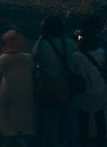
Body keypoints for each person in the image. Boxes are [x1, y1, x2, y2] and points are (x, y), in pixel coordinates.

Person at [34, 15, 79, 147]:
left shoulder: (42, 44)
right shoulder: (70, 43)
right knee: (71, 122)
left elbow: (34, 58)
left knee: (52, 123)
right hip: (69, 86)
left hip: (50, 87)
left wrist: (41, 37)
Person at [72, 20, 107, 147]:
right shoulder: (101, 53)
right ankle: (101, 141)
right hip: (100, 88)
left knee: (83, 119)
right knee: (100, 118)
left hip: (84, 91)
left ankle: (83, 142)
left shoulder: (76, 56)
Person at [0, 30, 37, 147]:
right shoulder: (28, 57)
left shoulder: (4, 58)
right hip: (26, 93)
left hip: (8, 93)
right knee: (25, 120)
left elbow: (1, 70)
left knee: (8, 123)